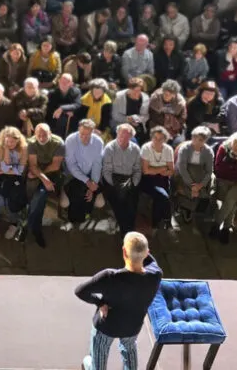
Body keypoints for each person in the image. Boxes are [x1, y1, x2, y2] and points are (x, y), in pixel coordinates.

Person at [76, 231, 163, 370]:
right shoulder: (156, 275)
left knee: (98, 360)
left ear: (124, 252)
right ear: (147, 253)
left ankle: (88, 364)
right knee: (129, 349)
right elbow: (149, 259)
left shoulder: (109, 277)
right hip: (132, 327)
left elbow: (80, 291)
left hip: (106, 326)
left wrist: (100, 303)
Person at [24, 123, 65, 248]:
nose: (41, 138)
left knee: (40, 195)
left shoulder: (58, 143)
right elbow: (33, 165)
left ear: (50, 133)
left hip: (52, 174)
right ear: (35, 134)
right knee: (36, 198)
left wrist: (43, 177)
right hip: (36, 172)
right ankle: (34, 228)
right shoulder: (31, 143)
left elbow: (55, 166)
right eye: (39, 135)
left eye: (44, 135)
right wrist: (41, 177)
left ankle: (27, 226)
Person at [209, 130, 237, 244]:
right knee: (231, 205)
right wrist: (230, 162)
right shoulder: (223, 148)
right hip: (223, 180)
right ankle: (226, 229)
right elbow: (219, 168)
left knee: (230, 202)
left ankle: (217, 225)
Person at [101, 123, 142, 235]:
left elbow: (138, 170)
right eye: (120, 135)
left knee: (132, 202)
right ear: (117, 134)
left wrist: (134, 183)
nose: (122, 138)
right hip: (113, 178)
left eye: (126, 136)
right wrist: (114, 185)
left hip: (129, 178)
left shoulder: (135, 149)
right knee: (119, 200)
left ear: (131, 137)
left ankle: (130, 228)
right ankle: (126, 231)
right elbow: (106, 171)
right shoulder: (110, 148)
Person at [64, 119, 104, 225]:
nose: (84, 137)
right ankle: (74, 218)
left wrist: (93, 183)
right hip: (73, 175)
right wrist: (87, 181)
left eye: (87, 135)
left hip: (91, 174)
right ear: (78, 129)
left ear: (93, 132)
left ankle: (86, 214)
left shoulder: (98, 142)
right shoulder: (70, 140)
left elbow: (97, 164)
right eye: (82, 134)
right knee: (78, 192)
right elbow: (71, 165)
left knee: (90, 193)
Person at [174, 126, 214, 223]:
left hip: (200, 176)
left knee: (211, 178)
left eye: (200, 140)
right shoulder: (184, 149)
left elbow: (209, 171)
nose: (195, 141)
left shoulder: (208, 152)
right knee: (192, 169)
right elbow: (182, 168)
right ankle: (187, 207)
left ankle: (198, 205)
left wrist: (200, 185)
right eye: (194, 137)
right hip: (185, 175)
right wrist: (192, 185)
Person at [139, 126, 175, 229]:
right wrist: (162, 168)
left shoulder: (168, 149)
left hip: (163, 179)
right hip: (147, 179)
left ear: (165, 139)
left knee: (160, 198)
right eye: (155, 138)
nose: (157, 141)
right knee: (163, 196)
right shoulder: (146, 148)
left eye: (161, 139)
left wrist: (155, 169)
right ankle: (166, 220)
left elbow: (171, 170)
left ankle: (156, 223)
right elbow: (145, 171)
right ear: (151, 137)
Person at [148, 80, 187, 146]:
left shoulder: (180, 102)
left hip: (175, 129)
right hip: (158, 126)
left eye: (170, 94)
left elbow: (182, 117)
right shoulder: (155, 98)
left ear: (174, 94)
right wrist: (169, 119)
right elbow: (154, 117)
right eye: (165, 93)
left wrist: (172, 124)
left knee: (178, 143)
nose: (166, 96)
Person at [47, 74, 82, 138]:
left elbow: (77, 104)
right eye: (62, 81)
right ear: (59, 81)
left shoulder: (76, 91)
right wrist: (65, 111)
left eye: (67, 82)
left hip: (71, 118)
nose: (64, 84)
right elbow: (51, 108)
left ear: (71, 83)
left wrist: (62, 108)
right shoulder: (52, 93)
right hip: (56, 118)